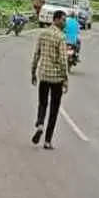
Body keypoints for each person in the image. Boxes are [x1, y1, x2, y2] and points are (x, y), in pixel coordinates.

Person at [30, 10, 70, 149]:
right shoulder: (61, 37)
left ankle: (40, 123)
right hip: (56, 78)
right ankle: (47, 140)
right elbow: (64, 61)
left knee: (42, 103)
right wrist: (65, 79)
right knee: (54, 109)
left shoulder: (43, 34)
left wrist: (33, 72)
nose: (65, 23)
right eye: (63, 20)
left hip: (44, 76)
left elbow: (36, 55)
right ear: (57, 19)